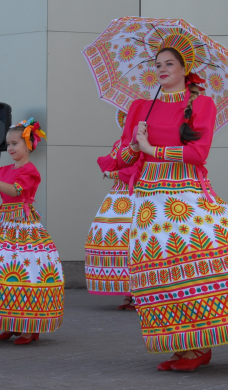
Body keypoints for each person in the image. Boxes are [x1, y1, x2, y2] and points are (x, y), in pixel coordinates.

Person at [116, 32, 228, 371]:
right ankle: (181, 344)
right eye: (158, 65)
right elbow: (120, 158)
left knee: (191, 267)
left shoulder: (202, 104)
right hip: (149, 202)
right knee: (160, 274)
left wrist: (154, 150)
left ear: (184, 68)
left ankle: (200, 346)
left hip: (186, 195)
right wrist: (136, 144)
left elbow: (197, 153)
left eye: (169, 64)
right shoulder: (139, 107)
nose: (162, 69)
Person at [0, 118, 64, 344]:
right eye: (8, 144)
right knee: (1, 269)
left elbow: (14, 191)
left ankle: (28, 327)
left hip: (23, 224)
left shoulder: (30, 170)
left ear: (28, 145)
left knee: (24, 272)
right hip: (3, 223)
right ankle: (10, 322)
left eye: (15, 143)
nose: (10, 148)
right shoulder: (5, 169)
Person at [85, 110, 138, 309]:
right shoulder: (119, 144)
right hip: (120, 197)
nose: (126, 123)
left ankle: (139, 293)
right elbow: (111, 162)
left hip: (138, 192)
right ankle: (128, 291)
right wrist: (113, 171)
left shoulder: (145, 141)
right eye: (124, 120)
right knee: (120, 242)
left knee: (136, 241)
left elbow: (139, 167)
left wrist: (115, 174)